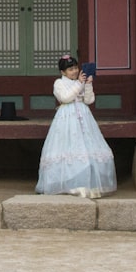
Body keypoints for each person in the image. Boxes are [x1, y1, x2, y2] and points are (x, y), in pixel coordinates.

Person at [35, 55, 117, 198]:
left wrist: (88, 84)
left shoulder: (81, 81)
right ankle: (68, 184)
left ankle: (87, 184)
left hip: (84, 117)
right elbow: (65, 98)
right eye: (70, 69)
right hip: (66, 117)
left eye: (75, 68)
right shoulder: (59, 83)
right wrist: (79, 83)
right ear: (63, 72)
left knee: (86, 148)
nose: (74, 71)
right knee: (68, 148)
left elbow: (89, 100)